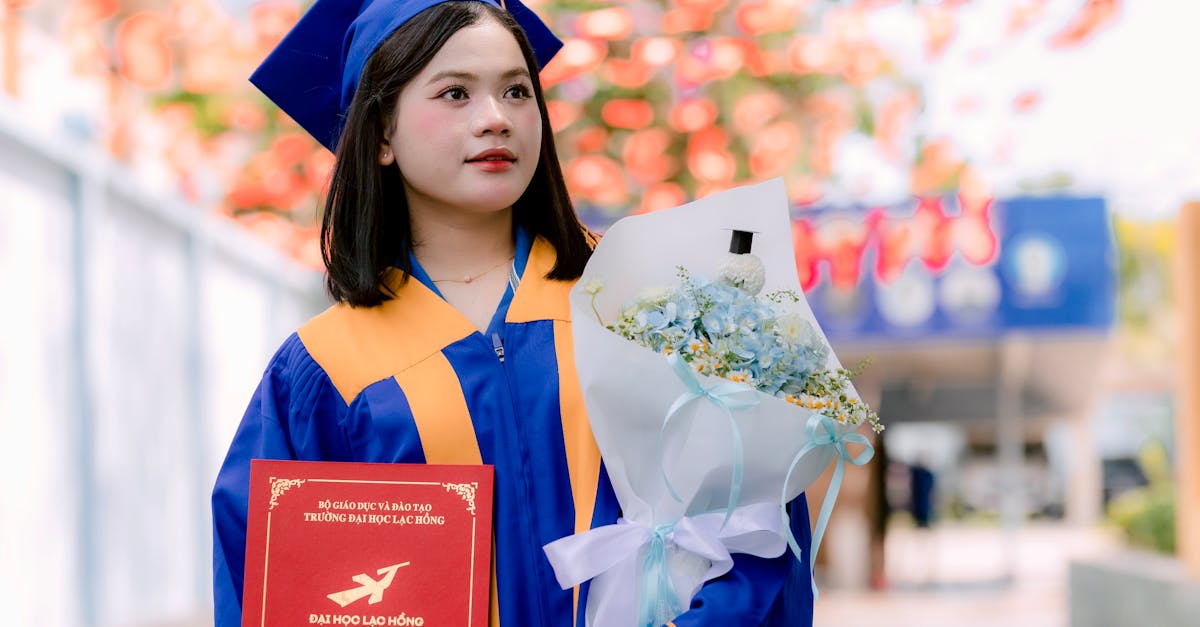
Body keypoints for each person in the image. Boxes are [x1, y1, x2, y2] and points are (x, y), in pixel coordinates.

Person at [210, 1, 814, 625]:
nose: (496, 118)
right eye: (455, 93)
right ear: (382, 134)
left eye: (517, 91)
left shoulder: (642, 304)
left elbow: (753, 522)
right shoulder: (324, 371)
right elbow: (273, 584)